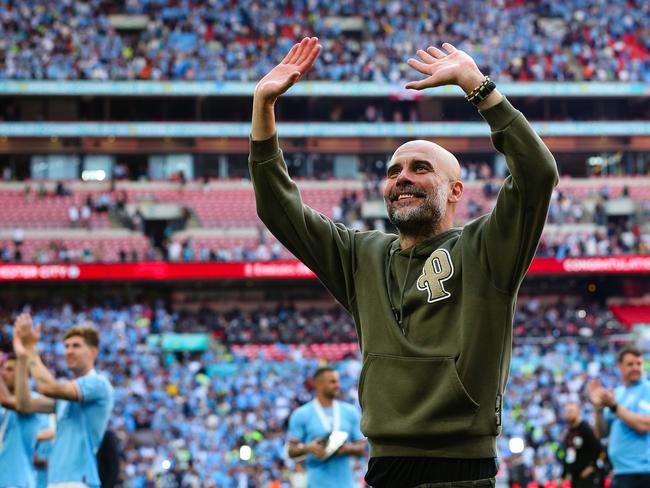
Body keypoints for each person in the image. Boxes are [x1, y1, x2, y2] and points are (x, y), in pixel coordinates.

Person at [249, 37, 558, 486]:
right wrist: (264, 106)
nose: (402, 179)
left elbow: (537, 174)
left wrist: (477, 86)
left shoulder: (486, 248)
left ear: (455, 190)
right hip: (383, 467)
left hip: (461, 470)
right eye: (393, 171)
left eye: (420, 168)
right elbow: (279, 210)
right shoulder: (361, 255)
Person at [12, 312, 114, 488]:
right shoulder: (66, 394)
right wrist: (22, 359)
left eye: (76, 346)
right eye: (66, 346)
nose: (69, 351)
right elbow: (24, 404)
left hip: (78, 480)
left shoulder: (98, 384)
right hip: (56, 480)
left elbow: (48, 387)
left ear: (93, 351)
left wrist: (30, 350)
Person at [287, 367, 366, 488]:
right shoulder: (301, 414)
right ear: (318, 385)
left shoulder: (350, 412)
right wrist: (308, 448)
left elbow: (362, 448)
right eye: (332, 382)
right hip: (316, 483)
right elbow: (291, 451)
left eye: (338, 381)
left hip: (346, 483)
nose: (337, 385)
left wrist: (347, 449)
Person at [588, 346, 650, 488]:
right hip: (620, 472)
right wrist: (598, 409)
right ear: (620, 366)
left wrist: (614, 406)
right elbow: (601, 433)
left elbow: (645, 426)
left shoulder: (647, 389)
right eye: (630, 364)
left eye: (639, 364)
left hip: (643, 473)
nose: (635, 367)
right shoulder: (617, 393)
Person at [0, 352, 40, 488]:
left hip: (17, 481)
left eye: (10, 369)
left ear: (24, 375)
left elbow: (8, 401)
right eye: (2, 368)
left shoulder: (33, 400)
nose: (3, 373)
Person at [562, 401, 606, 488]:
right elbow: (569, 456)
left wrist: (593, 467)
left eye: (570, 411)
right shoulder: (568, 434)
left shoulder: (585, 429)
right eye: (566, 412)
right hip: (575, 480)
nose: (568, 414)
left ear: (578, 413)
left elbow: (602, 452)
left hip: (590, 480)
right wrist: (564, 475)